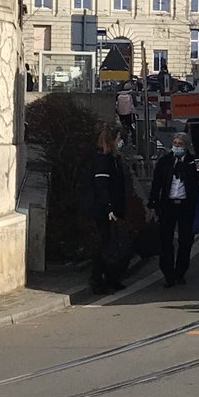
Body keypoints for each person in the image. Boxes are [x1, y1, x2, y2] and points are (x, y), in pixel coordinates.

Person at [148, 131, 199, 288]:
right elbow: (156, 184)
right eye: (175, 144)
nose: (177, 147)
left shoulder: (193, 162)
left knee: (185, 241)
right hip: (168, 205)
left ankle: (180, 272)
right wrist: (153, 204)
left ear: (186, 146)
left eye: (180, 144)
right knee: (166, 241)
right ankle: (168, 274)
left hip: (186, 205)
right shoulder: (165, 162)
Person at [87, 123, 129, 294]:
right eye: (119, 138)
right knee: (106, 246)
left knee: (112, 244)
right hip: (104, 211)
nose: (120, 141)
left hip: (113, 209)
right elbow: (102, 186)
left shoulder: (113, 158)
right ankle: (97, 279)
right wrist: (108, 208)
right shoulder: (103, 159)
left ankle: (112, 278)